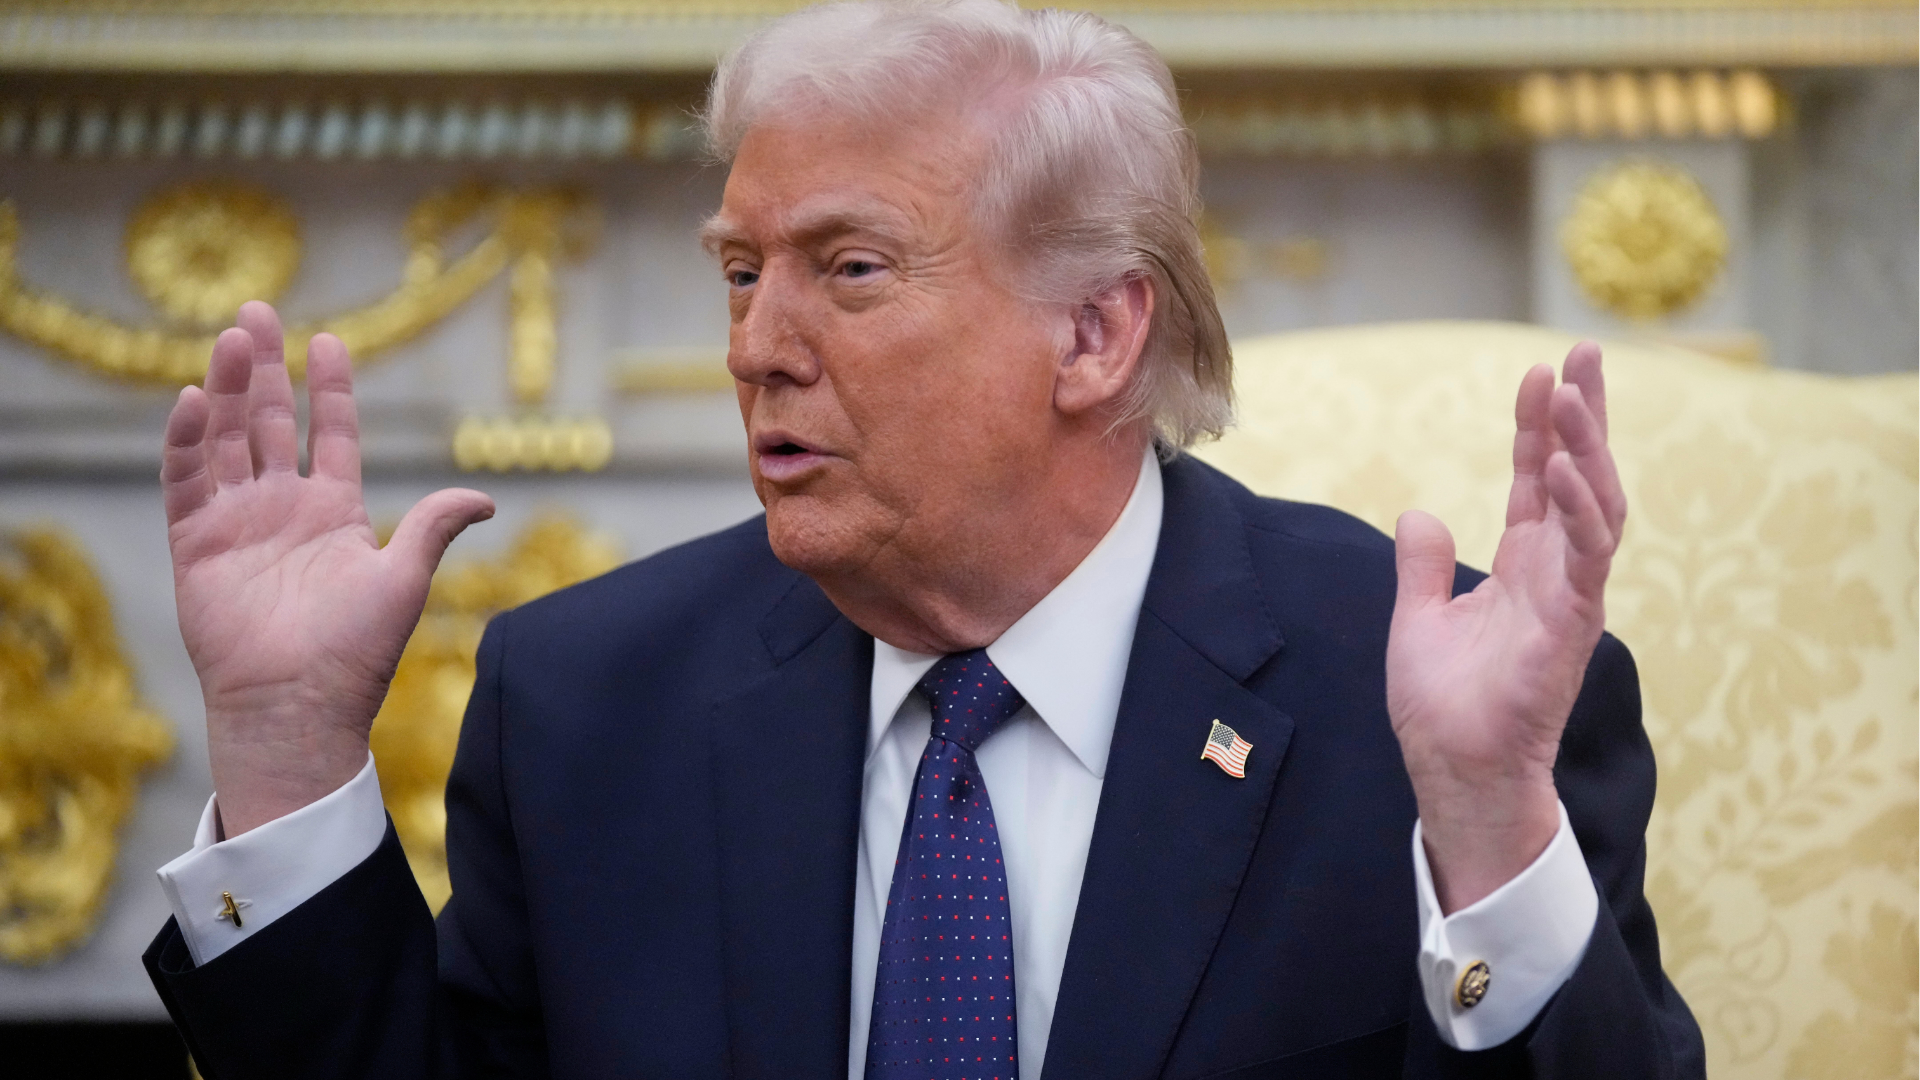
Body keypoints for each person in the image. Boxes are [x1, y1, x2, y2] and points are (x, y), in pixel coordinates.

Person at [142, 1, 1703, 1076]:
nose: (757, 344)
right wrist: (283, 752)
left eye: (853, 268)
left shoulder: (1424, 713)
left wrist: (1491, 828)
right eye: (743, 269)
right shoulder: (585, 702)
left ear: (1093, 332)